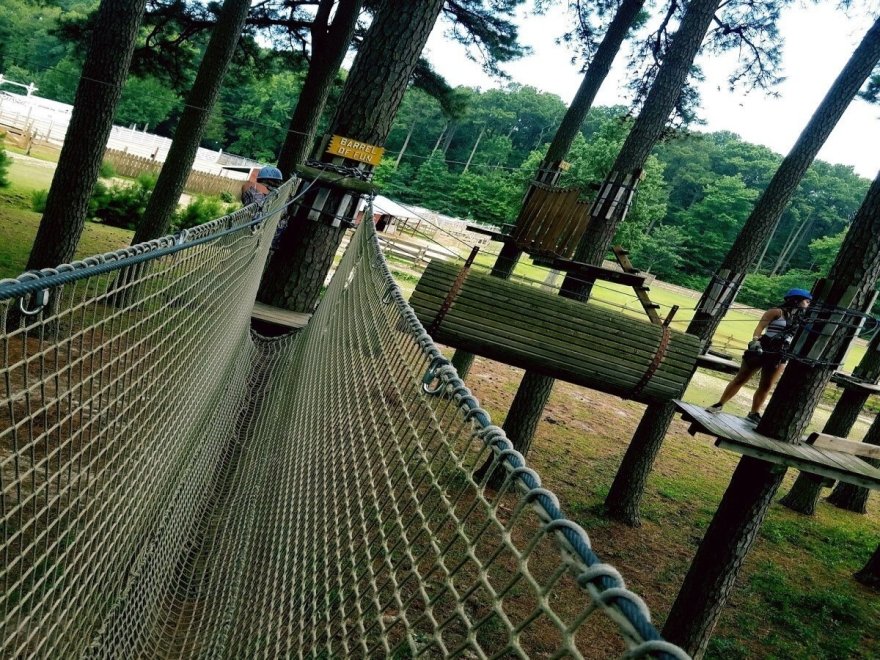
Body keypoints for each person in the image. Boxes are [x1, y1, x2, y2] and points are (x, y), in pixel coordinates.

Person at [706, 288, 812, 424]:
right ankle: (719, 404)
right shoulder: (775, 312)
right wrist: (755, 341)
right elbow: (760, 327)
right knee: (741, 378)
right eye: (806, 300)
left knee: (767, 385)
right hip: (763, 348)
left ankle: (754, 413)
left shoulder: (800, 319)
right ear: (796, 299)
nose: (808, 303)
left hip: (780, 353)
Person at [240, 166, 286, 248]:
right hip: (271, 236)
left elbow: (246, 197)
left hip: (250, 231)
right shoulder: (282, 196)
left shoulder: (251, 187)